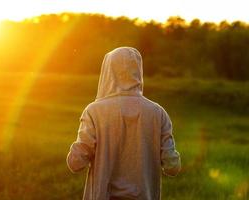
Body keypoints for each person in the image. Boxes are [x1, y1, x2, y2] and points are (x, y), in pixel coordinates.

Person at [67, 47, 181, 200]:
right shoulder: (158, 113)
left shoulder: (94, 112)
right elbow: (173, 167)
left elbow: (75, 163)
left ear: (108, 71)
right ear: (138, 71)